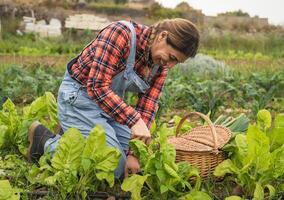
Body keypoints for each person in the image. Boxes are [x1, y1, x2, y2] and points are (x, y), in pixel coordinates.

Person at [27, 18, 199, 179]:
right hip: (79, 99)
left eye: (176, 62)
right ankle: (44, 142)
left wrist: (134, 153)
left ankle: (76, 134)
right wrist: (134, 121)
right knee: (113, 166)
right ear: (163, 36)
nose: (170, 65)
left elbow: (147, 108)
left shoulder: (159, 67)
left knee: (139, 161)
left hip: (110, 107)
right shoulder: (120, 33)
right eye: (172, 57)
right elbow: (97, 86)